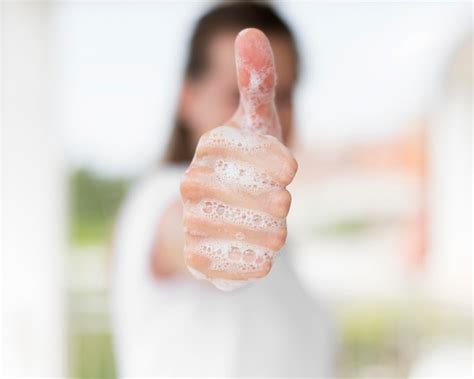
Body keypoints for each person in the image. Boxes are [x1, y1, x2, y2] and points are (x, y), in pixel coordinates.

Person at [112, 2, 337, 377]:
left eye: (285, 96)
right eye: (238, 95)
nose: (269, 117)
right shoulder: (163, 196)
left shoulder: (271, 232)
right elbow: (182, 231)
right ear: (188, 100)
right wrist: (217, 220)